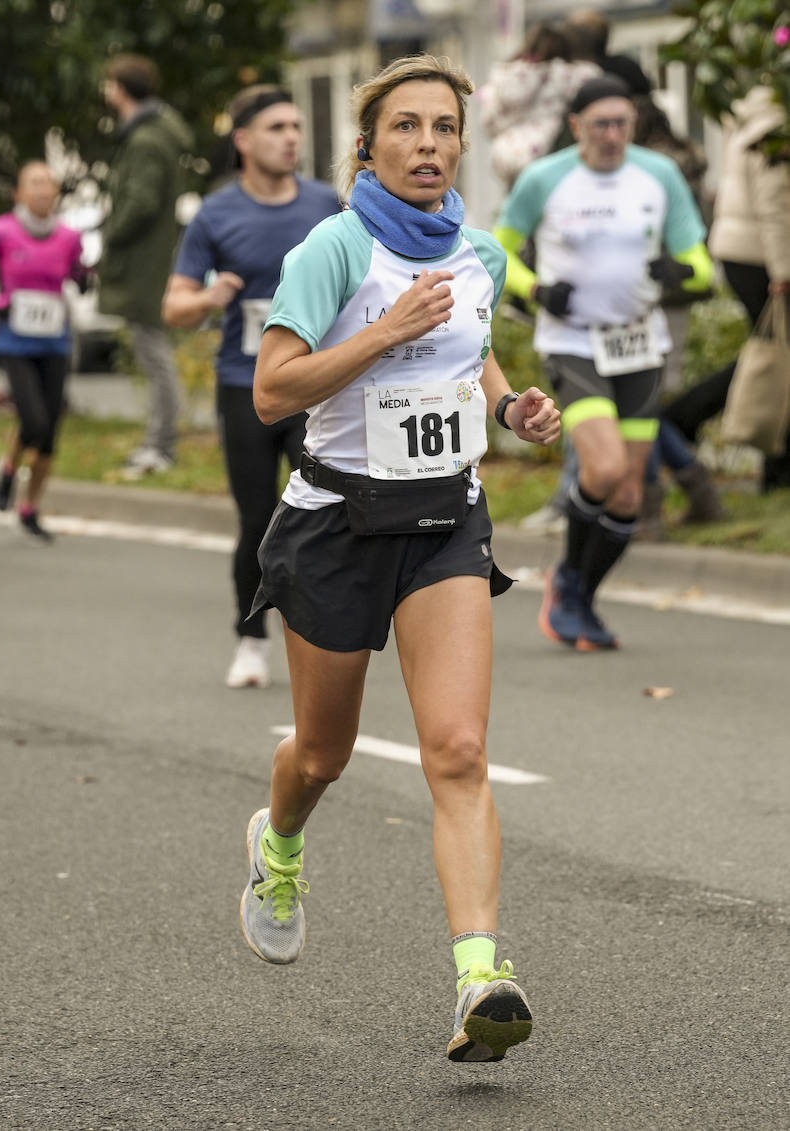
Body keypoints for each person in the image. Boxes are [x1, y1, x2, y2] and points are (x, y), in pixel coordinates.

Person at [239, 54, 560, 1063]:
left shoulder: (481, 254)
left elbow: (470, 351)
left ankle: (481, 978)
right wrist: (383, 332)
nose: (428, 145)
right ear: (370, 144)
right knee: (323, 755)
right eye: (408, 127)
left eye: (444, 129)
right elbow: (273, 393)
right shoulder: (333, 250)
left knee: (457, 751)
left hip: (443, 521)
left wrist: (509, 405)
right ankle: (278, 842)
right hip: (335, 522)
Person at [494, 75, 712, 650]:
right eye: (601, 125)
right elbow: (500, 251)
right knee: (606, 468)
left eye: (622, 124)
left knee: (629, 497)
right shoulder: (545, 178)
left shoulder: (659, 175)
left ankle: (579, 593)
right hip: (573, 342)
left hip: (640, 344)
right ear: (576, 127)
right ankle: (568, 578)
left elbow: (700, 260)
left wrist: (681, 271)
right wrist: (537, 290)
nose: (613, 136)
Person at [163, 86, 341, 689]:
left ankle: (322, 639)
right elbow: (174, 305)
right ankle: (250, 640)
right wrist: (207, 298)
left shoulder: (326, 204)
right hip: (245, 387)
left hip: (315, 386)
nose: (292, 136)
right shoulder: (216, 214)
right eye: (275, 127)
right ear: (243, 141)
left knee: (322, 513)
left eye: (296, 125)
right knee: (259, 519)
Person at [664, 85, 790, 491]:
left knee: (775, 353)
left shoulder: (756, 112)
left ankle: (775, 465)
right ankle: (687, 416)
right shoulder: (774, 124)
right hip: (762, 256)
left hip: (746, 251)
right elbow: (775, 203)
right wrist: (783, 271)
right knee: (773, 353)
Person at [0, 163, 87, 543]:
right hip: (15, 342)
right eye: (34, 183)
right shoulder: (0, 230)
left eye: (49, 184)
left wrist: (87, 276)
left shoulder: (70, 236)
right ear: (18, 193)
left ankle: (30, 508)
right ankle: (8, 468)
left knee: (50, 432)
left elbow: (78, 275)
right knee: (33, 420)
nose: (43, 190)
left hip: (55, 341)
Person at [98, 53, 194, 479]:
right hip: (151, 261)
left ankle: (161, 445)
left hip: (143, 266)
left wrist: (110, 236)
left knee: (154, 357)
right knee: (154, 354)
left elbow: (140, 202)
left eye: (109, 84)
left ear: (119, 89)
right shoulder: (155, 134)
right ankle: (159, 441)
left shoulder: (145, 140)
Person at [474, 23, 601, 188]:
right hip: (548, 152)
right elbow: (595, 83)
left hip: (507, 154)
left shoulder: (504, 77)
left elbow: (488, 122)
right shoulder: (567, 75)